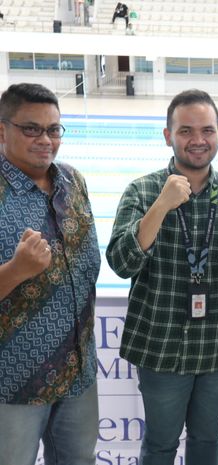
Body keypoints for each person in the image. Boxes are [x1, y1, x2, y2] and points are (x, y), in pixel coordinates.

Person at [106, 89, 218, 465]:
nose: (197, 140)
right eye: (186, 131)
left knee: (207, 442)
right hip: (161, 349)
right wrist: (161, 205)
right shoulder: (142, 191)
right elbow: (121, 263)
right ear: (167, 135)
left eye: (206, 130)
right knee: (160, 445)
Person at [0, 83, 101, 465]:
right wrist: (15, 270)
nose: (46, 139)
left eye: (54, 129)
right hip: (13, 382)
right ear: (2, 130)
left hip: (77, 375)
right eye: (32, 129)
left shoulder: (73, 182)